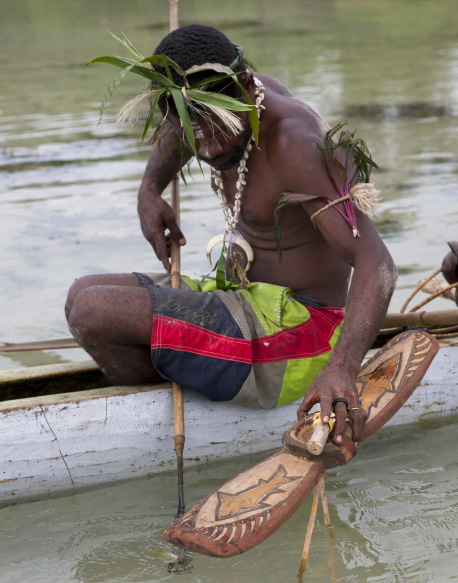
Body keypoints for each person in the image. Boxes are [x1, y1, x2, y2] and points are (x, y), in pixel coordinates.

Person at [66, 24, 397, 450]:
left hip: (302, 333)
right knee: (81, 294)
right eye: (192, 128)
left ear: (243, 90)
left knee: (96, 311)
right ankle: (180, 390)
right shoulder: (218, 109)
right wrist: (149, 190)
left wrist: (342, 368)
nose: (205, 151)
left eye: (215, 130)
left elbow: (378, 263)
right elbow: (184, 123)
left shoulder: (292, 144)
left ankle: (183, 427)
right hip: (243, 296)